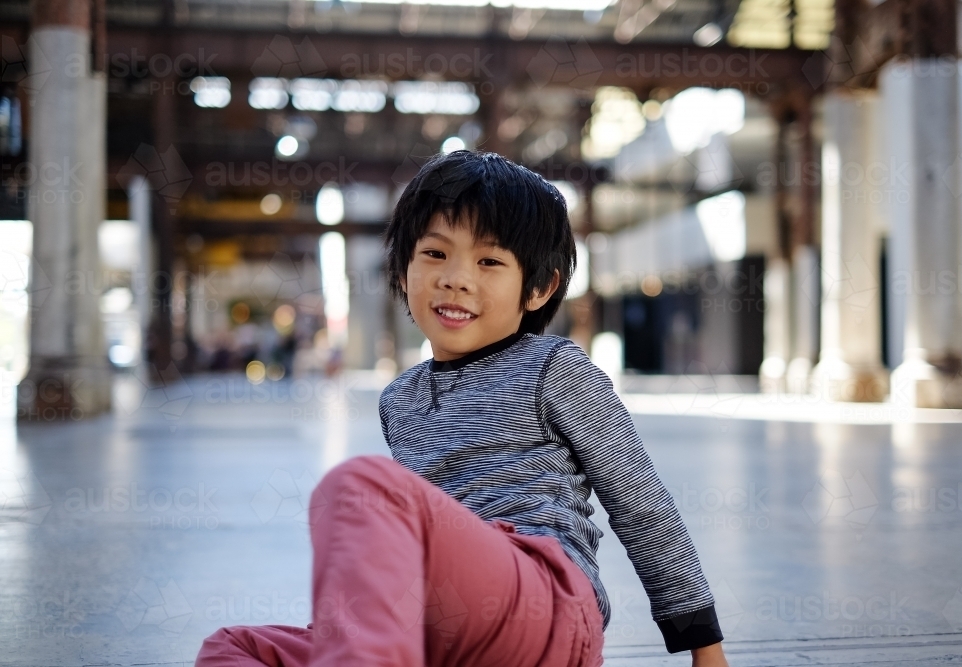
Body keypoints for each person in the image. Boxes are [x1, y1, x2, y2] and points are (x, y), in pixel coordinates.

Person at [195, 151, 729, 667]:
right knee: (232, 648)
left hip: (544, 602)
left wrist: (702, 642)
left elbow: (640, 503)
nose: (455, 277)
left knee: (358, 487)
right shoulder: (400, 400)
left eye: (489, 261)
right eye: (434, 254)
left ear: (539, 289)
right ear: (402, 271)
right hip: (443, 622)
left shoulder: (557, 369)